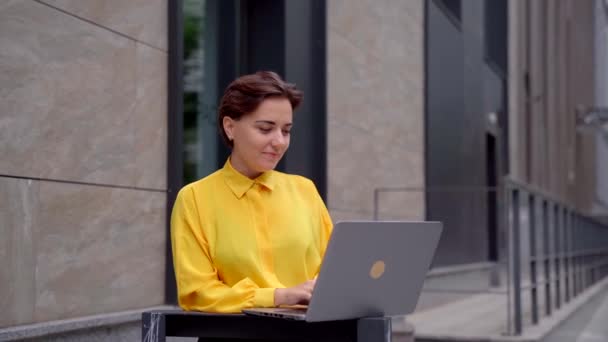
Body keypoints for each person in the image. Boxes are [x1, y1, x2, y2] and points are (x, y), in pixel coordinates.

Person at [171, 71, 333, 315]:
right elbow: (197, 293)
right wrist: (277, 296)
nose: (279, 141)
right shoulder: (194, 199)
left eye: (286, 131)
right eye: (266, 128)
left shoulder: (305, 190)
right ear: (230, 127)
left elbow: (334, 271)